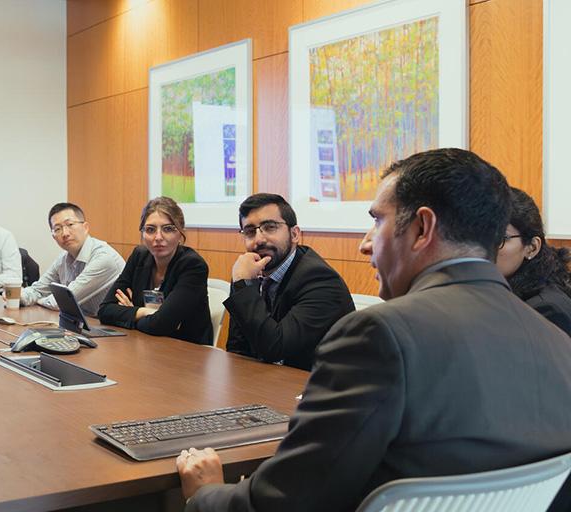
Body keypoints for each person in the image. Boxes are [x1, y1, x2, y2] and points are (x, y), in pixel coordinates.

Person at [176, 148, 571, 511]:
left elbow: (283, 501)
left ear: (422, 228)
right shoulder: (556, 341)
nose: (366, 244)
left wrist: (205, 493)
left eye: (377, 221)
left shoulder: (378, 335)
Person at [223, 193, 354, 370]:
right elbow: (237, 348)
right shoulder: (249, 273)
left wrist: (242, 286)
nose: (259, 239)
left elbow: (275, 348)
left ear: (294, 234)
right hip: (268, 382)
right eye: (250, 231)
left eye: (270, 227)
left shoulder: (320, 279)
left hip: (321, 387)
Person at [98, 197, 211, 344]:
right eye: (150, 230)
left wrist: (130, 313)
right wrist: (144, 312)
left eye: (168, 229)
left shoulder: (193, 265)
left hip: (187, 352)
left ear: (180, 232)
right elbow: (105, 310)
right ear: (142, 233)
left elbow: (161, 325)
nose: (158, 237)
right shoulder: (139, 256)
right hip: (145, 345)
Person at [20, 202, 125, 316]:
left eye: (70, 224)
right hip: (80, 324)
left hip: (112, 328)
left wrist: (37, 300)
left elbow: (62, 302)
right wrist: (17, 295)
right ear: (53, 236)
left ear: (85, 227)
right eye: (58, 229)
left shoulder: (104, 257)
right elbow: (38, 289)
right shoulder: (63, 258)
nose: (65, 233)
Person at [495, 187, 571, 335]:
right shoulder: (501, 289)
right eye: (482, 236)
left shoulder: (547, 310)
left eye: (500, 239)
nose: (485, 248)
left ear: (532, 247)